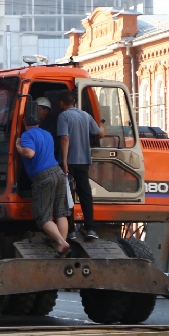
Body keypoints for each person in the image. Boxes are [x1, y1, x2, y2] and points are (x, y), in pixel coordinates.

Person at [15, 109, 71, 256]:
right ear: (38, 122)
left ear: (24, 122)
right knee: (60, 212)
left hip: (44, 176)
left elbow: (30, 153)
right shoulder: (47, 134)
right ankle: (61, 247)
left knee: (43, 215)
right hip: (58, 172)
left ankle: (61, 242)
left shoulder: (27, 135)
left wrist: (18, 146)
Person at [56, 90, 103, 240]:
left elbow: (64, 138)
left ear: (61, 103)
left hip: (69, 162)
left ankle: (70, 231)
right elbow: (100, 133)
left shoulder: (63, 116)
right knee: (85, 194)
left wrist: (64, 161)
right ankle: (90, 228)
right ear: (74, 102)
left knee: (67, 195)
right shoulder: (85, 115)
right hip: (83, 161)